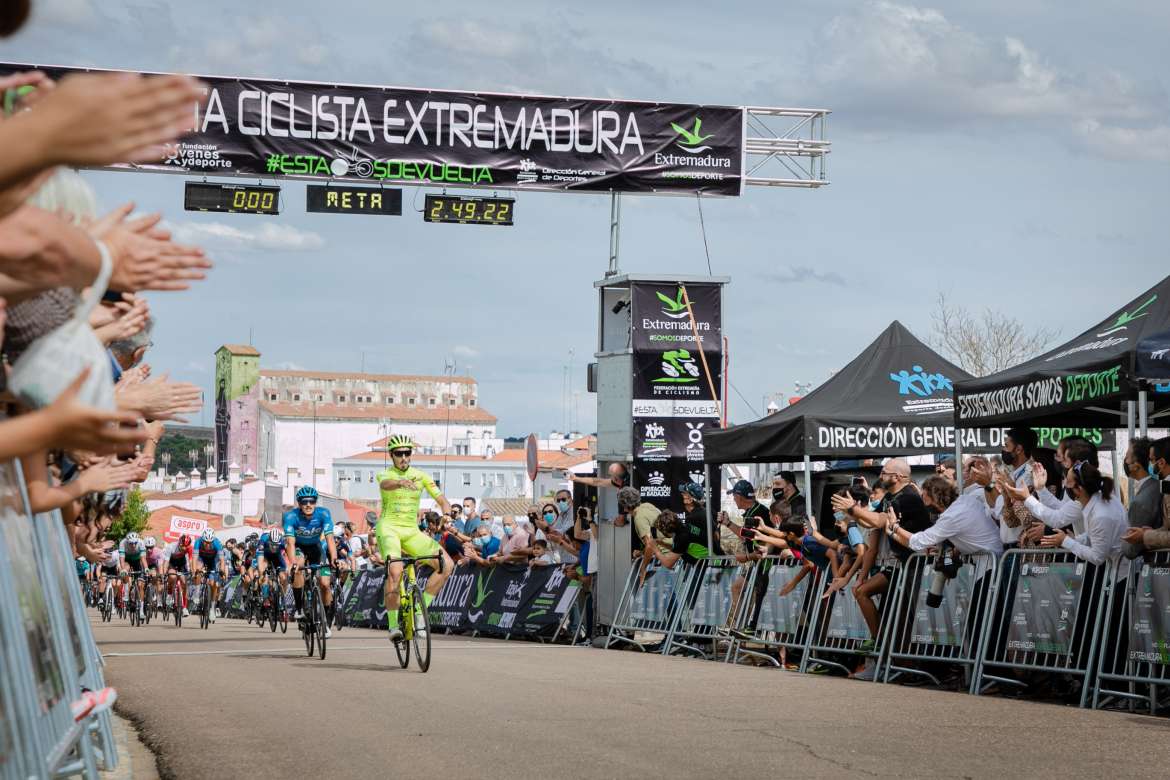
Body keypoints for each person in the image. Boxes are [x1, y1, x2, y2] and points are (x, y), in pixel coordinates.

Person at [374, 436, 454, 643]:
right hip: (389, 528)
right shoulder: (386, 474)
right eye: (398, 453)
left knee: (447, 565)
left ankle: (419, 610)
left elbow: (442, 500)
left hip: (411, 531)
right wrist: (399, 482)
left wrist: (447, 515)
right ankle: (393, 625)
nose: (403, 457)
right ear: (391, 455)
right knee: (395, 572)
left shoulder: (421, 476)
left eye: (407, 453)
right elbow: (386, 484)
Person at [1003, 460, 1125, 566]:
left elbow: (1097, 557)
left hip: (1121, 572)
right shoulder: (1092, 500)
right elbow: (1091, 534)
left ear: (1079, 489)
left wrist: (1066, 541)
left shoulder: (1100, 514)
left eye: (1068, 482)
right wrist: (1074, 539)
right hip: (1114, 570)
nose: (1065, 484)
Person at [884, 459, 1003, 557]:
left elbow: (919, 541)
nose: (923, 503)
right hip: (989, 559)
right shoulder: (964, 501)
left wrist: (895, 527)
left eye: (924, 498)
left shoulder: (951, 516)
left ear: (934, 498)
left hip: (990, 564)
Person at [283, 485, 339, 638]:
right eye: (304, 501)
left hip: (316, 548)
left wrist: (334, 559)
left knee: (325, 584)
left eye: (312, 501)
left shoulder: (323, 513)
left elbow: (330, 539)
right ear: (299, 503)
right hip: (299, 547)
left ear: (315, 502)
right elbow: (290, 543)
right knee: (298, 567)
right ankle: (299, 608)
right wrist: (293, 563)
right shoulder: (290, 516)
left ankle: (325, 621)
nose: (308, 504)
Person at [1120, 437, 1166, 558]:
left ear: (1136, 466)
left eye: (1127, 457)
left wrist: (1120, 542)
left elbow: (1131, 549)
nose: (1125, 461)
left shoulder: (1140, 502)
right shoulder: (1160, 487)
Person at [192, 528, 225, 622]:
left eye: (209, 542)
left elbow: (222, 560)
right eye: (206, 542)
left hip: (213, 561)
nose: (207, 544)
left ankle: (212, 609)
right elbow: (194, 559)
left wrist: (222, 571)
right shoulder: (198, 542)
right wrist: (194, 572)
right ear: (203, 540)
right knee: (198, 570)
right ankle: (197, 593)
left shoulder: (217, 543)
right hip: (201, 559)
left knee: (213, 584)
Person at [255, 526, 290, 609]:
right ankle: (265, 598)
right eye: (272, 545)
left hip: (277, 557)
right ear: (269, 541)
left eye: (276, 545)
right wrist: (262, 572)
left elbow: (289, 556)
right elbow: (260, 560)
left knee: (284, 577)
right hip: (265, 556)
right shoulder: (263, 540)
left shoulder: (283, 541)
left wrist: (289, 567)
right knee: (263, 575)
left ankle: (282, 598)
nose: (274, 547)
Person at [118, 531, 148, 621]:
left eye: (135, 543)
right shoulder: (123, 543)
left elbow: (143, 559)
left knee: (140, 585)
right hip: (127, 560)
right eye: (131, 543)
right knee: (125, 570)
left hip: (137, 561)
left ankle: (141, 611)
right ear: (127, 541)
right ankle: (126, 590)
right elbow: (122, 559)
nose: (133, 545)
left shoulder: (141, 543)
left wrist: (146, 568)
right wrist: (123, 569)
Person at [162, 534, 191, 617]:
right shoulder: (171, 547)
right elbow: (166, 562)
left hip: (182, 564)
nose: (184, 548)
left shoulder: (188, 549)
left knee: (184, 583)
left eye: (186, 546)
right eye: (182, 545)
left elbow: (189, 562)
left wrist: (190, 571)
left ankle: (184, 607)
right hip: (172, 563)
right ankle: (169, 594)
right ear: (179, 543)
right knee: (172, 577)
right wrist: (164, 573)